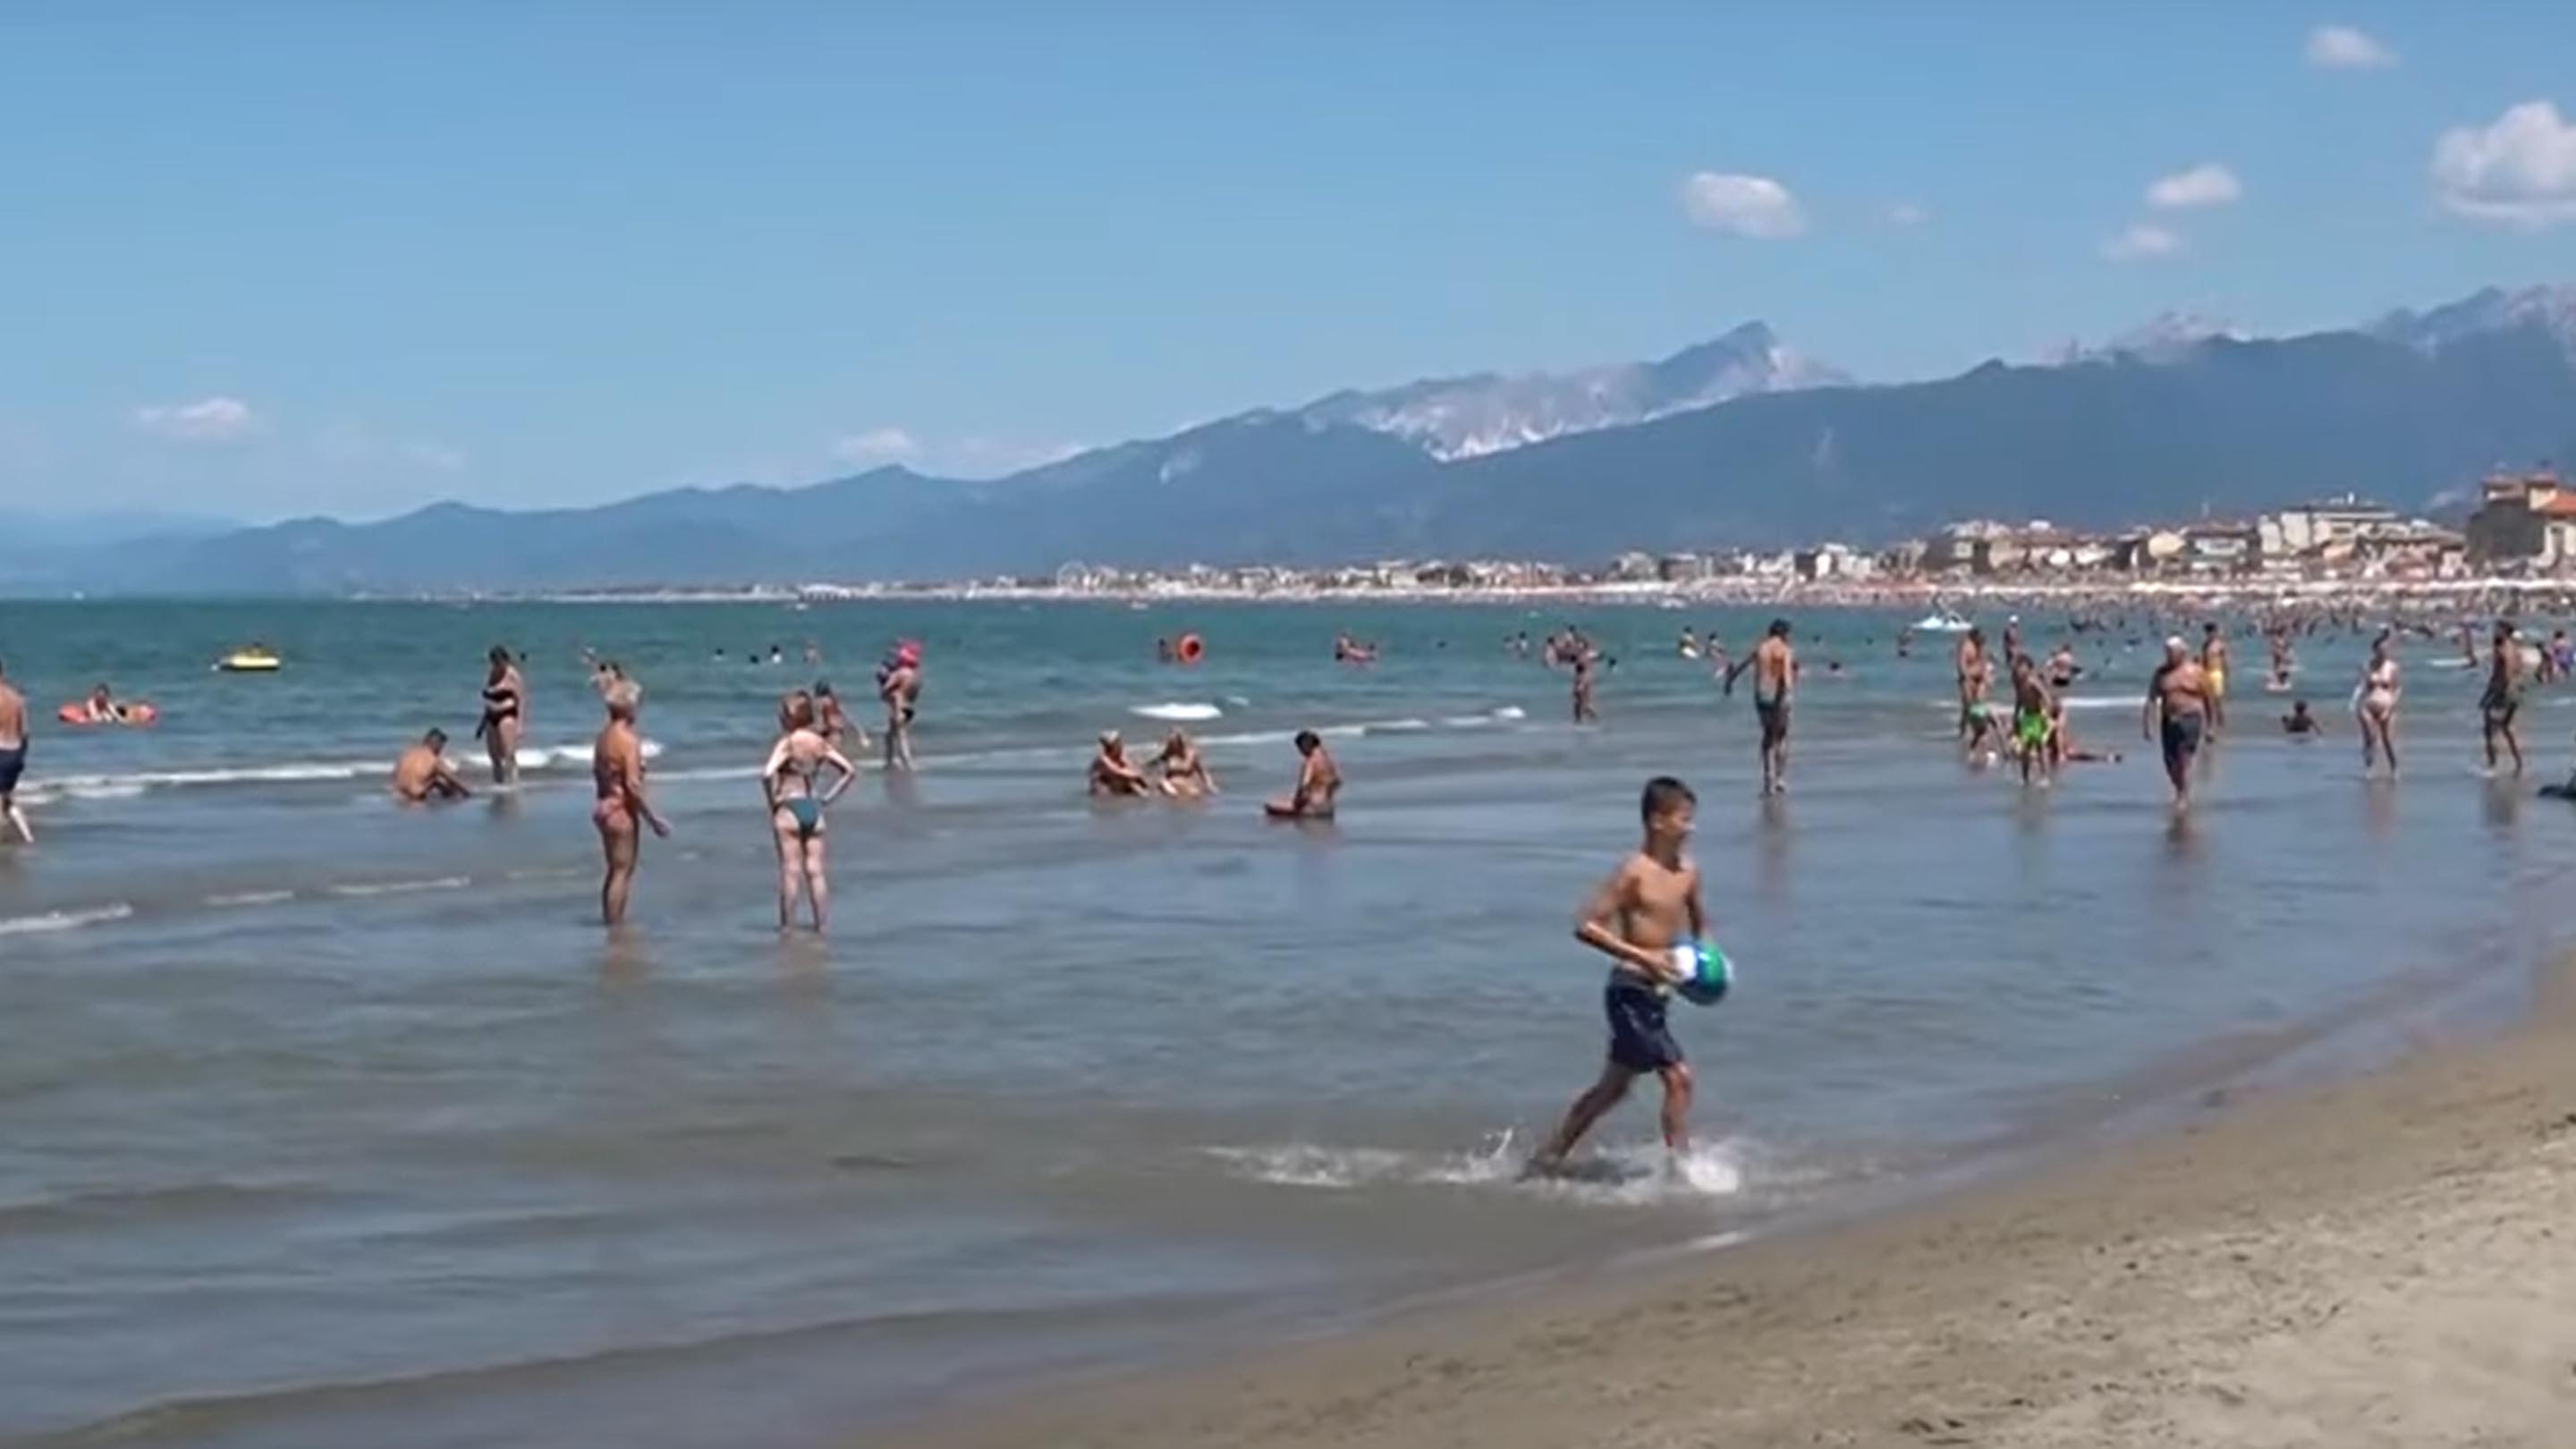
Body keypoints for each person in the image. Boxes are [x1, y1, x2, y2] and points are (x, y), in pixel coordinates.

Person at [1526, 775, 1704, 1176]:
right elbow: (1585, 925)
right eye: (1683, 819)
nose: (1690, 828)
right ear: (1657, 822)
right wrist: (1643, 957)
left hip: (1659, 993)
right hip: (1629, 990)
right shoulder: (1632, 872)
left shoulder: (1689, 873)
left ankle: (1549, 1156)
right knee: (1679, 1078)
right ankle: (1684, 1169)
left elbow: (1701, 926)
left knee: (1613, 1089)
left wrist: (1708, 966)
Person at [762, 692, 857, 932]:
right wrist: (829, 797)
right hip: (813, 807)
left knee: (790, 871)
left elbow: (767, 773)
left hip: (789, 807)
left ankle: (787, 926)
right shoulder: (818, 742)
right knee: (816, 872)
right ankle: (821, 925)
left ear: (789, 717)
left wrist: (772, 800)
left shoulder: (788, 742)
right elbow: (849, 770)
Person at [590, 681, 670, 927]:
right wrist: (653, 818)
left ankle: (610, 920)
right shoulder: (628, 740)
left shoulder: (603, 737)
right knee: (622, 871)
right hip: (620, 809)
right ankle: (615, 925)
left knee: (614, 870)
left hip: (603, 806)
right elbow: (633, 785)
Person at [1724, 619, 1796, 795]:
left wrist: (1729, 682)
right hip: (1780, 697)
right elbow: (1786, 677)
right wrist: (1786, 693)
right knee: (1783, 736)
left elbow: (1741, 666)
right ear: (1785, 633)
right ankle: (1779, 778)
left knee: (1768, 737)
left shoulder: (1760, 647)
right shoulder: (1784, 650)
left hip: (1762, 696)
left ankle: (1768, 779)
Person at [2143, 637, 2212, 810]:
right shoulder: (2161, 674)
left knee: (2184, 757)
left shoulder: (2196, 672)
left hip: (2191, 718)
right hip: (2168, 720)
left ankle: (2183, 796)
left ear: (2182, 653)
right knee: (2169, 762)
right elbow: (2151, 700)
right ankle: (2179, 788)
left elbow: (2209, 699)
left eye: (2172, 652)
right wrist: (2147, 725)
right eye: (2167, 652)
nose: (2169, 656)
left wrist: (2211, 726)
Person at [2481, 620, 2527, 777]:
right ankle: (2519, 764)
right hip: (2514, 690)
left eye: (2497, 629)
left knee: (2489, 729)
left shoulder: (2503, 650)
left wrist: (2496, 692)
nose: (2494, 632)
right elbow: (2520, 670)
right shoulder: (2515, 649)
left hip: (2503, 691)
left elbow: (2503, 673)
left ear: (2504, 632)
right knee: (2507, 728)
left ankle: (2492, 766)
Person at [476, 645, 524, 785]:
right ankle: (499, 783)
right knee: (494, 755)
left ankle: (514, 783)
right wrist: (482, 725)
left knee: (508, 754)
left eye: (498, 661)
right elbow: (488, 700)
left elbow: (521, 700)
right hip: (491, 716)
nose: (496, 664)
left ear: (505, 660)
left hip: (507, 714)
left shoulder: (512, 675)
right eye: (493, 662)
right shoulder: (491, 674)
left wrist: (520, 725)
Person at [1264, 730, 1340, 819]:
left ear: (1305, 745)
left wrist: (1297, 802)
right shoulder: (1328, 760)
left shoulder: (1311, 761)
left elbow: (1304, 785)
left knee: (1271, 804)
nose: (1300, 752)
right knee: (1285, 799)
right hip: (1328, 807)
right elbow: (1337, 781)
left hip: (1313, 808)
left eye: (1300, 748)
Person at [2356, 632, 2402, 777]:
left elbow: (2398, 689)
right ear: (2375, 650)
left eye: (2385, 649)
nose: (2383, 652)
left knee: (2388, 739)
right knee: (2371, 736)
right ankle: (2369, 768)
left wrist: (2391, 707)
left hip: (2387, 705)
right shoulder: (2367, 665)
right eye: (2380, 650)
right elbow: (2362, 686)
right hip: (2368, 704)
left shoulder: (2393, 667)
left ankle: (2394, 768)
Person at [2009, 653, 2055, 786]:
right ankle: (2025, 777)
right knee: (2025, 749)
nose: (2018, 670)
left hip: (2037, 716)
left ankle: (2045, 776)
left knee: (2040, 747)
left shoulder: (2033, 681)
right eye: (2017, 668)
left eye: (2021, 667)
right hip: (2026, 718)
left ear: (2029, 668)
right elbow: (2018, 701)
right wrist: (2015, 718)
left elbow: (2046, 697)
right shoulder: (2019, 684)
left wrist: (2046, 713)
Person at [390, 728, 473, 802]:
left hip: (398, 799)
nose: (441, 751)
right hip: (417, 800)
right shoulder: (434, 760)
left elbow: (395, 775)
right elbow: (454, 780)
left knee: (434, 781)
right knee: (438, 783)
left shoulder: (407, 754)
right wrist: (469, 794)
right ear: (437, 745)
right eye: (442, 747)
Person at [0, 657, 30, 843]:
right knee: (7, 798)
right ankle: (28, 838)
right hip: (15, 753)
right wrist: (21, 757)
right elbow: (25, 732)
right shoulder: (17, 699)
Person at [878, 642, 921, 771]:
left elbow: (885, 691)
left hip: (898, 708)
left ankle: (907, 762)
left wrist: (884, 681)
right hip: (909, 708)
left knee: (901, 736)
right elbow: (913, 695)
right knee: (890, 736)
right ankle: (890, 762)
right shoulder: (915, 676)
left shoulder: (900, 674)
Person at [1149, 727, 1217, 798]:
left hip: (1187, 786)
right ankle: (1174, 796)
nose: (1171, 746)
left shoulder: (1192, 755)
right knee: (1162, 782)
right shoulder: (1169, 754)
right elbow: (1153, 763)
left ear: (1180, 743)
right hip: (1170, 787)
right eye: (1170, 743)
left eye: (1173, 743)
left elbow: (1202, 772)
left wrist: (1210, 785)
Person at [1087, 730, 1154, 798]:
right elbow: (1118, 773)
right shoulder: (1102, 760)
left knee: (1134, 783)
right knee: (1130, 783)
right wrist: (1139, 775)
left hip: (1116, 791)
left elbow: (1132, 768)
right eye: (1118, 742)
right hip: (1102, 796)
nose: (1122, 744)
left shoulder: (1118, 757)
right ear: (1112, 745)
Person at [1954, 628, 1989, 739]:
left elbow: (1984, 663)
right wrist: (1966, 678)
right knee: (1968, 705)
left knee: (1979, 703)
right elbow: (1961, 664)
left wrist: (1985, 678)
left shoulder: (1981, 647)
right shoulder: (1966, 647)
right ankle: (1963, 729)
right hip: (1967, 679)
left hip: (1979, 679)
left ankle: (1979, 729)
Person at [2199, 623, 2230, 734]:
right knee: (2207, 701)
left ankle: (2220, 722)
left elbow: (2225, 661)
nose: (2210, 635)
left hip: (2217, 673)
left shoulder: (2220, 645)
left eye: (2211, 632)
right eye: (2207, 633)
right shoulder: (2205, 645)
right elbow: (2203, 660)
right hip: (2207, 673)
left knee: (2217, 701)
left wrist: (2226, 676)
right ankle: (2210, 725)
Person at [1571, 648, 1597, 724]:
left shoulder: (1580, 676)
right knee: (1583, 705)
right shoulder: (1585, 675)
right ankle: (1583, 718)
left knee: (1578, 704)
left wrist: (1578, 688)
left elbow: (1580, 684)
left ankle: (1579, 719)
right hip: (1583, 691)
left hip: (1580, 691)